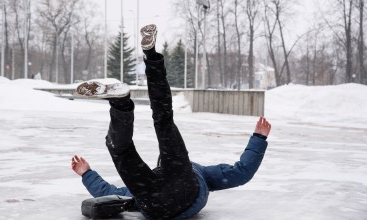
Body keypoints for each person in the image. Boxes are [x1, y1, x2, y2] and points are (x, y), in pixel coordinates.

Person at [72, 24, 271, 219]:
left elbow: (108, 191)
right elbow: (241, 172)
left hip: (154, 203)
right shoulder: (200, 173)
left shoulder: (175, 172)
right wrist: (259, 139)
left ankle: (126, 98)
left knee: (151, 128)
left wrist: (87, 174)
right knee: (139, 137)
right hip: (176, 196)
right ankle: (129, 91)